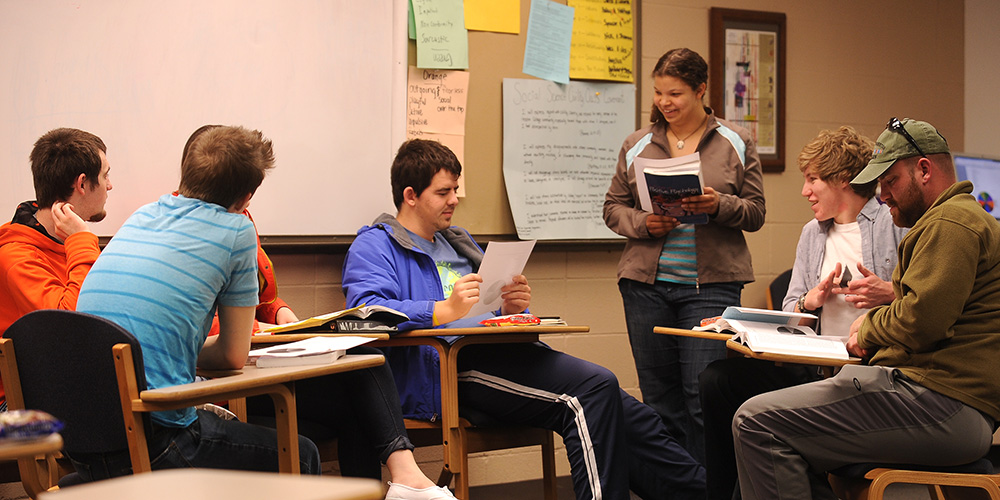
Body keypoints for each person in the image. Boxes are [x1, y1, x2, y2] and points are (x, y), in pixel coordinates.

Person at [343, 138, 706, 500]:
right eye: (443, 192)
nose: (454, 199)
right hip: (450, 366)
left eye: (456, 189)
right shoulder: (375, 246)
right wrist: (439, 310)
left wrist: (510, 309)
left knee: (625, 408)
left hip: (502, 349)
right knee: (590, 392)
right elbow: (365, 313)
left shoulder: (458, 241)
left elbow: (485, 307)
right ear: (410, 195)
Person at [180, 125, 455, 500]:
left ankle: (397, 482)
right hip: (222, 379)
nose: (248, 199)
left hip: (258, 362)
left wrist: (281, 315)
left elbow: (262, 297)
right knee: (359, 381)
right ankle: (407, 478)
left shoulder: (241, 219)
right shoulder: (184, 230)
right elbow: (192, 319)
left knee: (360, 378)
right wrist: (249, 326)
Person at [733, 118, 1000, 500]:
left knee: (756, 422)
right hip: (932, 397)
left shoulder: (952, 221)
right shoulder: (945, 221)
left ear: (924, 170)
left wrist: (868, 326)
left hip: (940, 403)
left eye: (890, 181)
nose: (883, 194)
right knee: (754, 412)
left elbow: (921, 320)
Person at [75, 126, 324, 479]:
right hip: (157, 439)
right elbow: (232, 356)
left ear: (186, 175)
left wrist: (167, 350)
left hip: (86, 440)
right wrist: (177, 351)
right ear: (246, 198)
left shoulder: (144, 215)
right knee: (300, 454)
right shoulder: (238, 232)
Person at [698, 126, 906, 500]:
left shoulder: (894, 224)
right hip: (814, 369)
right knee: (718, 380)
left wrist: (887, 294)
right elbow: (789, 310)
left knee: (758, 421)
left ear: (842, 179)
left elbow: (920, 302)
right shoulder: (813, 233)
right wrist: (807, 302)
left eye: (813, 180)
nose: (805, 191)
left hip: (866, 373)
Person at [603, 47, 766, 463]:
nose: (664, 102)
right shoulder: (636, 144)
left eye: (674, 93)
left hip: (710, 287)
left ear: (700, 90)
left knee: (702, 394)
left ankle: (707, 488)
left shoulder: (735, 140)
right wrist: (644, 223)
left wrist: (717, 205)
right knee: (659, 398)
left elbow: (756, 213)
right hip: (645, 287)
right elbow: (612, 208)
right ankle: (674, 488)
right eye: (658, 93)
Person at [0, 127, 112, 411]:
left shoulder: (65, 243)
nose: (110, 186)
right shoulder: (16, 255)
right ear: (83, 184)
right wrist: (81, 241)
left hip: (66, 384)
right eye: (106, 175)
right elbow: (70, 326)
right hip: (18, 404)